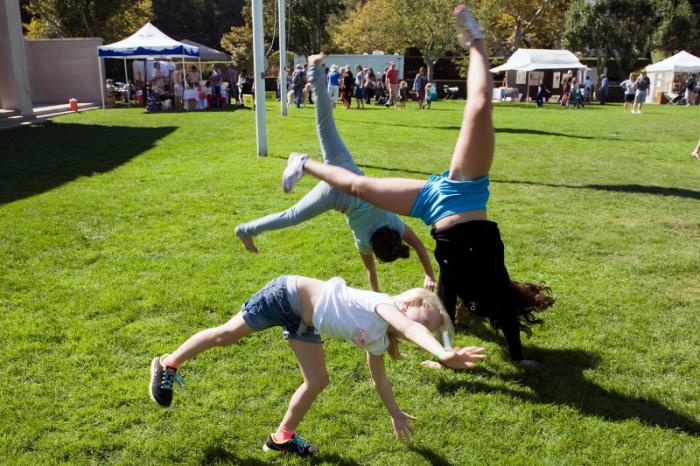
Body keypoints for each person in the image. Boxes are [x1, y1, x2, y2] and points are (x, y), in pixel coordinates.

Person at [281, 5, 555, 366]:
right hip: (466, 189)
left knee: (360, 188)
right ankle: (476, 41)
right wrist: (517, 358)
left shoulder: (454, 285)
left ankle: (303, 162)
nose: (475, 311)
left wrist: (442, 354)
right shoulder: (496, 283)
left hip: (432, 206)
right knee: (480, 106)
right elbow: (502, 313)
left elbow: (440, 311)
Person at [149, 274, 487, 456]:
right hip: (286, 295)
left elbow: (379, 378)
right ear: (411, 301)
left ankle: (281, 438)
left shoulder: (379, 338)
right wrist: (442, 354)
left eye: (429, 328)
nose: (420, 327)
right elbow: (411, 327)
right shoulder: (384, 305)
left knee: (318, 380)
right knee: (227, 335)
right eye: (424, 317)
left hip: (304, 323)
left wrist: (394, 411)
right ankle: (169, 363)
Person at [236, 57, 437, 293]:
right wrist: (377, 298)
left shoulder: (394, 222)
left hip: (347, 170)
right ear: (376, 248)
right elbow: (371, 272)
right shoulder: (365, 241)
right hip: (335, 196)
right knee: (291, 216)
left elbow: (420, 246)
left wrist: (429, 274)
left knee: (326, 124)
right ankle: (247, 229)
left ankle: (315, 70)